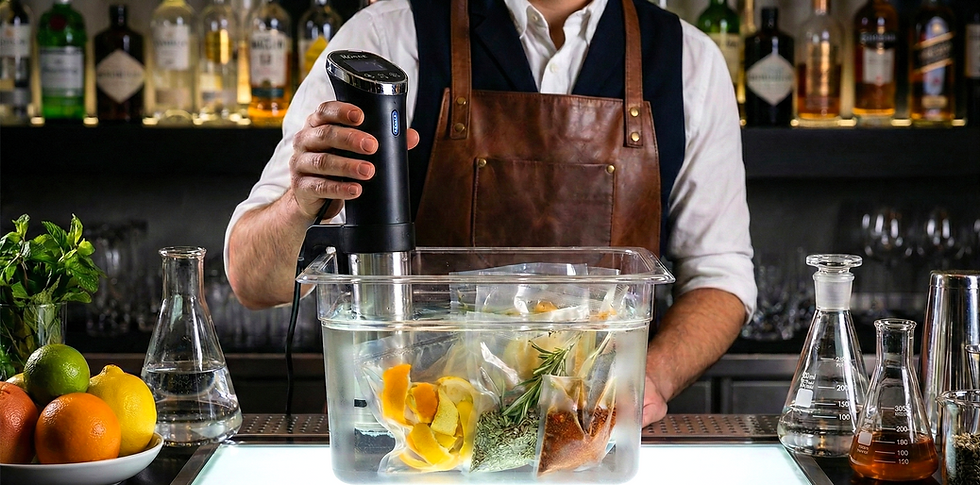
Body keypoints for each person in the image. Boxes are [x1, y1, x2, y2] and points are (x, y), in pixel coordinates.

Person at [224, 0, 757, 426]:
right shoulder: (388, 37)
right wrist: (300, 203)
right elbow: (252, 280)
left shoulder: (688, 60)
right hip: (416, 441)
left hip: (593, 440)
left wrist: (651, 378)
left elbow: (721, 278)